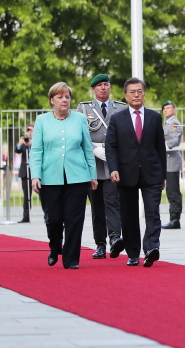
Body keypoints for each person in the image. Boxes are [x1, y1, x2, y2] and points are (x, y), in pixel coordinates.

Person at [29, 82, 98, 269]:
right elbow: (36, 151)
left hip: (78, 177)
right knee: (53, 219)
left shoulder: (79, 119)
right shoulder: (42, 120)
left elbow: (87, 148)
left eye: (67, 96)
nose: (64, 100)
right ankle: (54, 246)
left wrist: (92, 174)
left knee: (74, 219)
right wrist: (36, 175)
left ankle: (71, 260)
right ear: (52, 100)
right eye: (60, 97)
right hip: (50, 177)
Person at [105, 77, 167, 267]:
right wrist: (113, 169)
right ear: (125, 95)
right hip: (125, 173)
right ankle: (133, 253)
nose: (136, 95)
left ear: (144, 94)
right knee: (129, 215)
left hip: (152, 173)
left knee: (152, 213)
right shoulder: (117, 119)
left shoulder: (155, 117)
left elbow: (160, 148)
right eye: (132, 92)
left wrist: (163, 175)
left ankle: (151, 249)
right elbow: (111, 146)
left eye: (139, 91)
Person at [76, 74, 127, 259]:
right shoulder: (83, 108)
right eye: (99, 85)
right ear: (93, 89)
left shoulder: (120, 107)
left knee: (112, 202)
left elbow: (124, 134)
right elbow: (80, 134)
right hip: (93, 164)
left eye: (106, 84)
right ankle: (99, 244)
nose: (103, 88)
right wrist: (94, 150)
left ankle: (115, 238)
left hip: (113, 163)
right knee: (97, 206)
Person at [160, 101, 184, 229]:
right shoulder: (167, 124)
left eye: (168, 108)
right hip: (166, 160)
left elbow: (173, 141)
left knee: (173, 190)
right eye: (164, 108)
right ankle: (173, 218)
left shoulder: (174, 123)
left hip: (172, 159)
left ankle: (175, 219)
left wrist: (159, 147)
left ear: (174, 110)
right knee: (170, 190)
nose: (166, 110)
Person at [14, 124, 34, 223]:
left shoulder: (37, 141)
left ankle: (47, 216)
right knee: (27, 195)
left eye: (31, 130)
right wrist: (20, 143)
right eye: (28, 130)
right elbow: (17, 150)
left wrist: (31, 143)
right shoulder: (23, 143)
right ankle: (26, 217)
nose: (29, 132)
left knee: (43, 195)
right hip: (25, 171)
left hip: (35, 171)